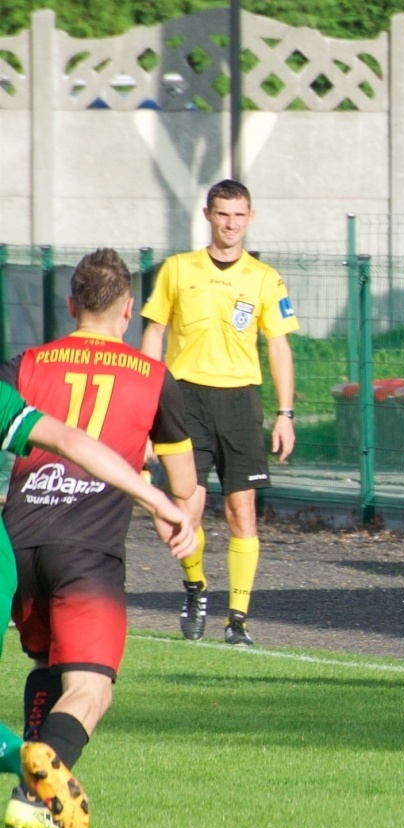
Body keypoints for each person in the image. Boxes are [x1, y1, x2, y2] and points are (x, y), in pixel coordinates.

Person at [2, 249, 199, 828]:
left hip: (18, 543)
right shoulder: (153, 377)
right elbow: (186, 486)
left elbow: (45, 433)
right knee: (89, 688)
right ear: (130, 310)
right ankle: (32, 798)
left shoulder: (25, 364)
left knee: (46, 663)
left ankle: (28, 784)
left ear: (70, 304)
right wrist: (175, 509)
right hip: (88, 550)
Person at [139, 179, 298, 648]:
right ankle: (195, 587)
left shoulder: (265, 278)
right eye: (223, 214)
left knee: (241, 509)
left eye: (239, 215)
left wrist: (284, 413)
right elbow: (153, 338)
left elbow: (279, 347)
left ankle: (239, 619)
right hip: (184, 398)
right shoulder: (176, 270)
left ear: (251, 217)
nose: (231, 223)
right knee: (185, 508)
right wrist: (145, 406)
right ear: (207, 214)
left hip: (240, 401)